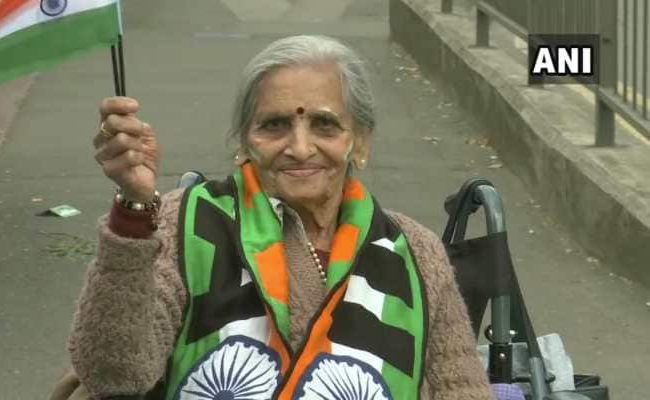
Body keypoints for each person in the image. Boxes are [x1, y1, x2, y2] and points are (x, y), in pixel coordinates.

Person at [52, 35, 493, 400]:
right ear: (245, 140)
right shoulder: (182, 223)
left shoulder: (413, 251)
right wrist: (132, 210)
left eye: (324, 125)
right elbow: (114, 374)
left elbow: (462, 388)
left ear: (360, 142)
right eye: (275, 125)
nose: (300, 148)